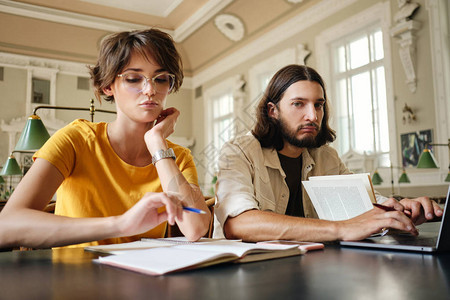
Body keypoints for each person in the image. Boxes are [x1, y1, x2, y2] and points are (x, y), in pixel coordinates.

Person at [0, 28, 210, 249]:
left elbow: (195, 227)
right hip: (75, 277)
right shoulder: (76, 140)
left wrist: (157, 142)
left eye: (161, 79)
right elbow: (6, 226)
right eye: (133, 78)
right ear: (108, 86)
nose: (150, 90)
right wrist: (120, 224)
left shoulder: (177, 157)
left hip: (146, 279)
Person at [214, 64, 443, 242]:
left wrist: (403, 209)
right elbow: (238, 224)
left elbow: (366, 203)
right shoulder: (238, 151)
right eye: (298, 104)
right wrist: (341, 229)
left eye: (318, 105)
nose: (313, 116)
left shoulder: (327, 156)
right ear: (273, 111)